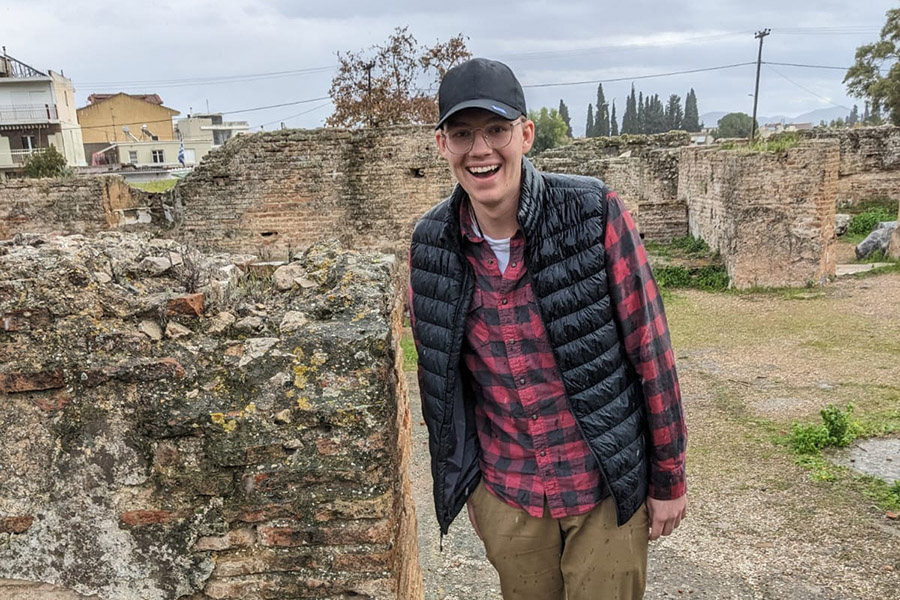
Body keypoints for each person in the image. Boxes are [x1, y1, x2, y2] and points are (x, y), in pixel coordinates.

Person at [408, 57, 687, 600]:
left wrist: (669, 477)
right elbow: (439, 381)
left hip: (602, 484)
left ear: (526, 134)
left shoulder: (593, 211)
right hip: (509, 493)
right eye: (462, 134)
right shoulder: (430, 244)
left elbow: (651, 350)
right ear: (442, 145)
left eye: (496, 129)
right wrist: (470, 488)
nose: (481, 149)